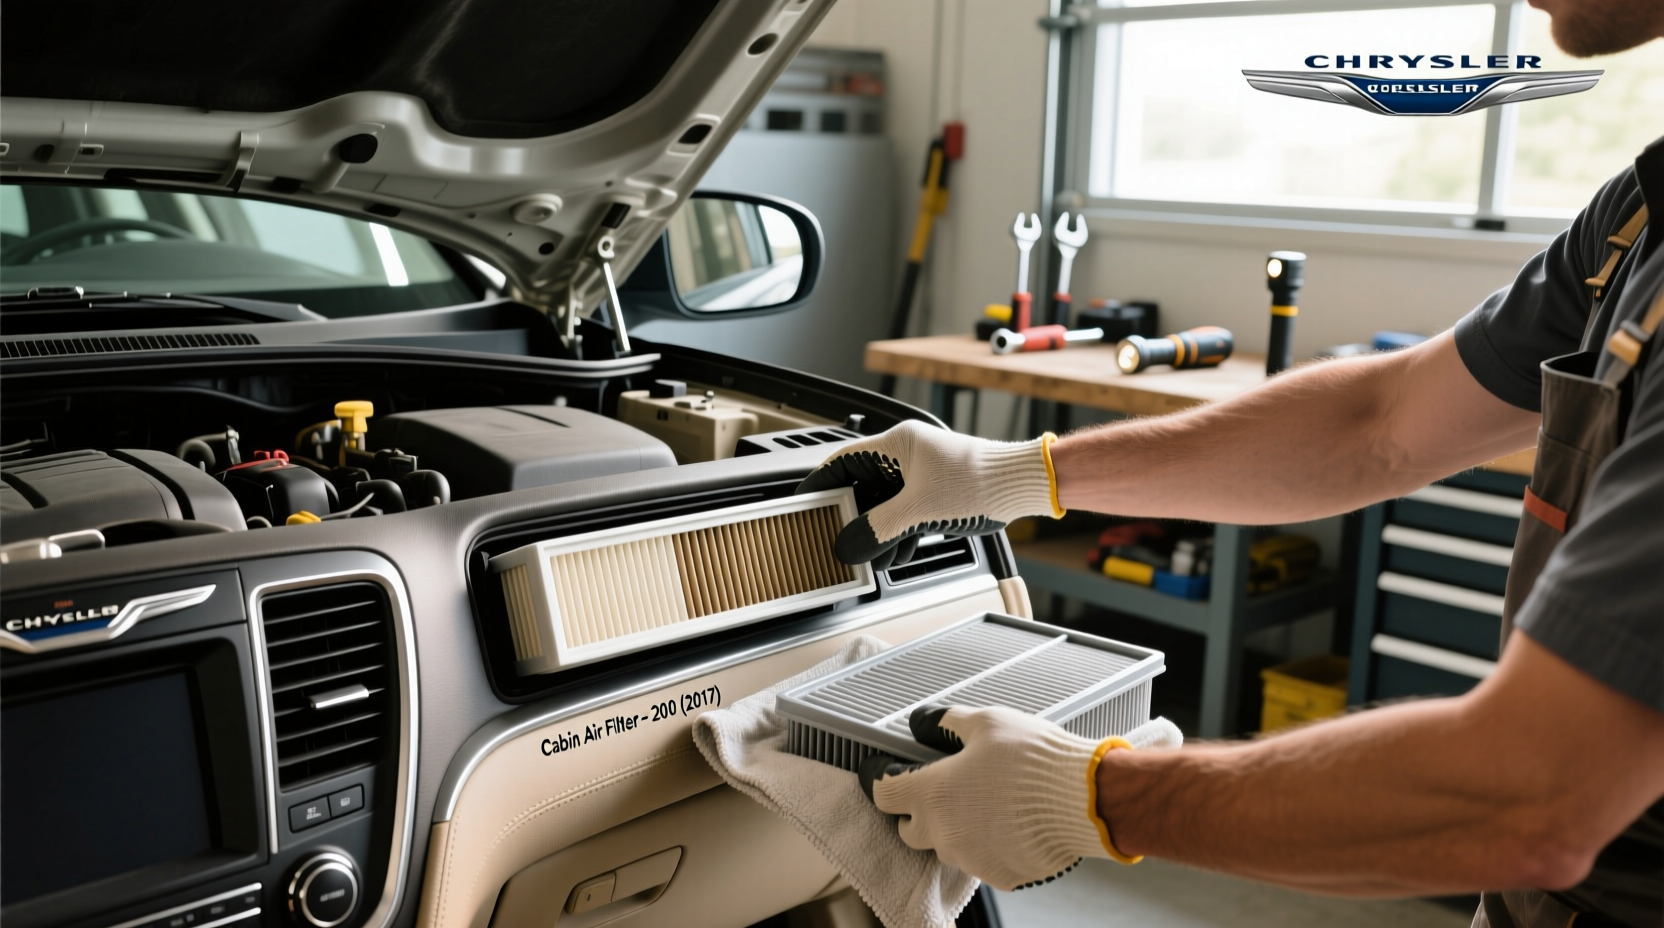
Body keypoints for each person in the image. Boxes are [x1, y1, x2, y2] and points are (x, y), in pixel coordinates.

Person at [795, 2, 1664, 924]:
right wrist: (1011, 474)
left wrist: (1098, 798)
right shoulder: (1635, 220)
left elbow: (1536, 794)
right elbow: (1377, 420)